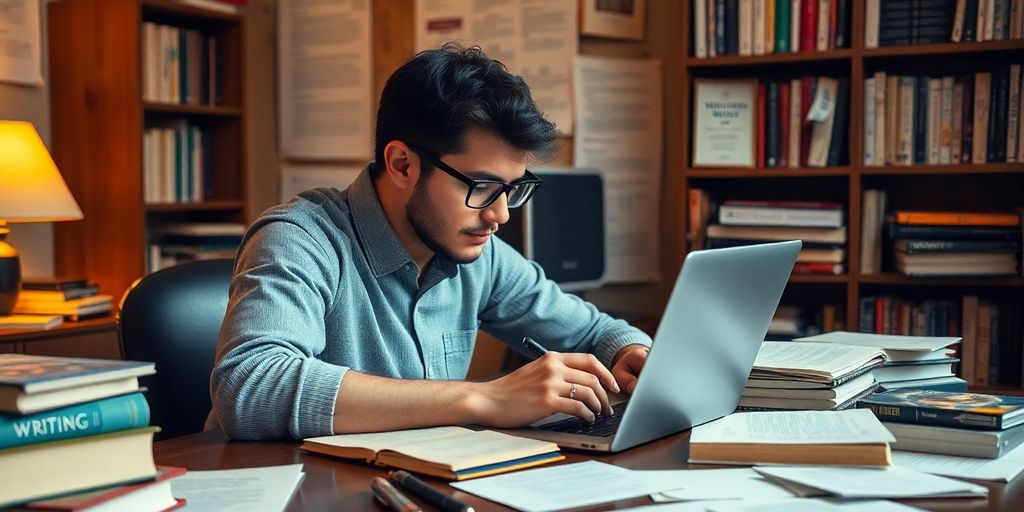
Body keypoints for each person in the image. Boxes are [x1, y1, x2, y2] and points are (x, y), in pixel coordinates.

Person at [209, 43, 652, 440]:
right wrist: (483, 399)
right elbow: (250, 385)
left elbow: (594, 333)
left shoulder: (481, 252)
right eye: (481, 186)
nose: (499, 214)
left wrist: (631, 352)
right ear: (402, 164)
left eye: (513, 189)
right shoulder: (300, 238)